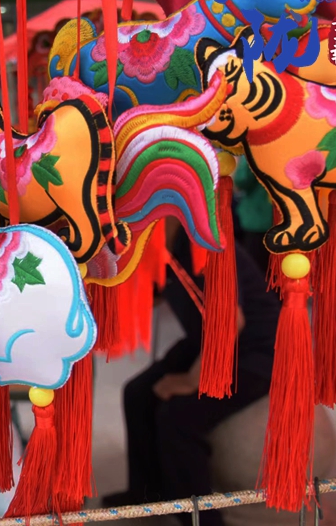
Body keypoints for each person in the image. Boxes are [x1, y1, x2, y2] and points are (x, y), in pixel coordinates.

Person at [102, 217, 281, 526]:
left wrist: (191, 380)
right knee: (137, 393)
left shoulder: (207, 246)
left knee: (178, 417)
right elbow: (152, 294)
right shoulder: (165, 247)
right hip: (205, 341)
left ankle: (200, 519)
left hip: (255, 353)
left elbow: (230, 323)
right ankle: (147, 494)